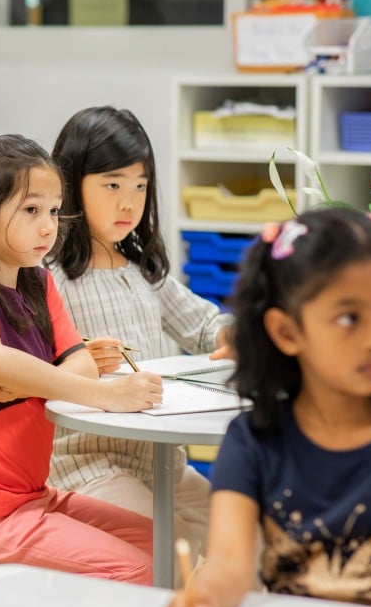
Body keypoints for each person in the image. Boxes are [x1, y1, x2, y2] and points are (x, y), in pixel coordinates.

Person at [164, 208, 371, 607]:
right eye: (349, 318)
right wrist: (197, 602)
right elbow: (229, 564)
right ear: (286, 331)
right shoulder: (253, 441)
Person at [0, 134, 165, 582]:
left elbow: (78, 358)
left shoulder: (40, 284)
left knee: (161, 542)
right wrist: (106, 396)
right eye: (31, 210)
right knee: (137, 571)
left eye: (54, 211)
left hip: (34, 493)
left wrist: (27, 382)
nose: (48, 227)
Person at [47, 106, 232, 567]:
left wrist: (232, 334)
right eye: (112, 185)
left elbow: (205, 324)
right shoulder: (48, 277)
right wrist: (76, 360)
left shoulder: (143, 272)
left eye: (140, 186)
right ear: (71, 185)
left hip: (164, 465)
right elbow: (27, 369)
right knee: (174, 551)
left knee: (243, 535)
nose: (129, 203)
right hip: (88, 468)